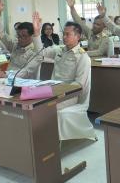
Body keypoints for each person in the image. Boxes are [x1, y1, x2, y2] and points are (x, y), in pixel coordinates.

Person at [32, 12, 95, 141]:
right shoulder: (59, 50)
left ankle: (49, 139)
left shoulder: (83, 57)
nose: (64, 37)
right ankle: (39, 137)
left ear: (78, 36)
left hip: (69, 96)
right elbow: (40, 53)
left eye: (68, 34)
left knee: (45, 108)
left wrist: (59, 90)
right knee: (34, 104)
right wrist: (37, 34)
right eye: (63, 34)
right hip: (53, 91)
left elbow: (79, 85)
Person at [0, 0, 41, 79]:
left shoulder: (35, 51)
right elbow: (2, 34)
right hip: (6, 80)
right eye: (18, 35)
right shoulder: (15, 45)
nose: (20, 38)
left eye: (24, 36)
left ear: (32, 36)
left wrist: (5, 75)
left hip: (23, 85)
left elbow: (26, 72)